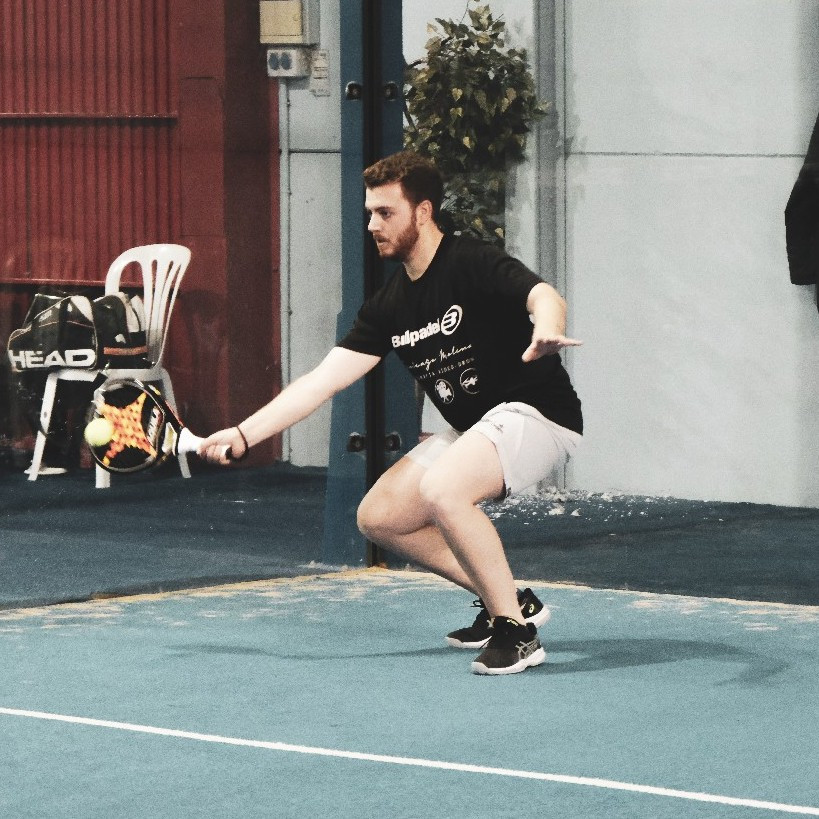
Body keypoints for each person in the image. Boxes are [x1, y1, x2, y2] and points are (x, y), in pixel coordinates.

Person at [199, 151, 583, 675]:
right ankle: (509, 598)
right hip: (475, 427)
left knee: (444, 489)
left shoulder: (470, 261)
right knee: (380, 517)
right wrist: (244, 435)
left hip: (537, 414)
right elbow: (321, 381)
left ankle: (516, 633)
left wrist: (548, 327)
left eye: (385, 213)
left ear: (422, 212)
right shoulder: (389, 305)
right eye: (370, 213)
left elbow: (542, 294)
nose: (373, 226)